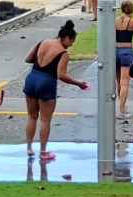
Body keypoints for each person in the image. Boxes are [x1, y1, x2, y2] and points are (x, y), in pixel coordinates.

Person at [22, 20, 90, 160]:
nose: (71, 45)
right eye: (71, 41)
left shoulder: (43, 42)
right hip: (46, 82)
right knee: (45, 120)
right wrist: (79, 84)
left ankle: (29, 148)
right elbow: (61, 75)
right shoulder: (63, 53)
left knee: (31, 116)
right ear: (66, 38)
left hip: (31, 79)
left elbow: (28, 58)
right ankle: (43, 152)